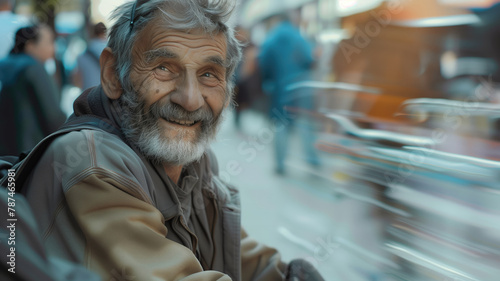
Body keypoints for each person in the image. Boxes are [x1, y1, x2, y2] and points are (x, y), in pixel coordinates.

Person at [20, 1, 324, 280]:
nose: (190, 100)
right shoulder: (91, 162)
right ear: (113, 74)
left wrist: (285, 275)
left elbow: (233, 249)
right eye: (163, 68)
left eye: (209, 74)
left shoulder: (194, 165)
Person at [258, 9, 320, 175]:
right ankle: (313, 160)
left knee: (281, 124)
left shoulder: (271, 38)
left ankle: (280, 164)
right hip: (302, 86)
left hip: (280, 89)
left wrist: (268, 81)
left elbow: (263, 62)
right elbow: (310, 60)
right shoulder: (298, 36)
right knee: (305, 123)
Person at [0, 24, 67, 155]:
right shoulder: (34, 68)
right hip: (29, 152)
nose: (53, 48)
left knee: (10, 176)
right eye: (49, 42)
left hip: (5, 153)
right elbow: (54, 117)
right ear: (30, 45)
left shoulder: (4, 65)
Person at [73, 22, 108, 91]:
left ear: (93, 33)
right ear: (105, 33)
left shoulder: (83, 55)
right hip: (108, 95)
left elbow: (77, 81)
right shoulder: (113, 51)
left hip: (89, 96)